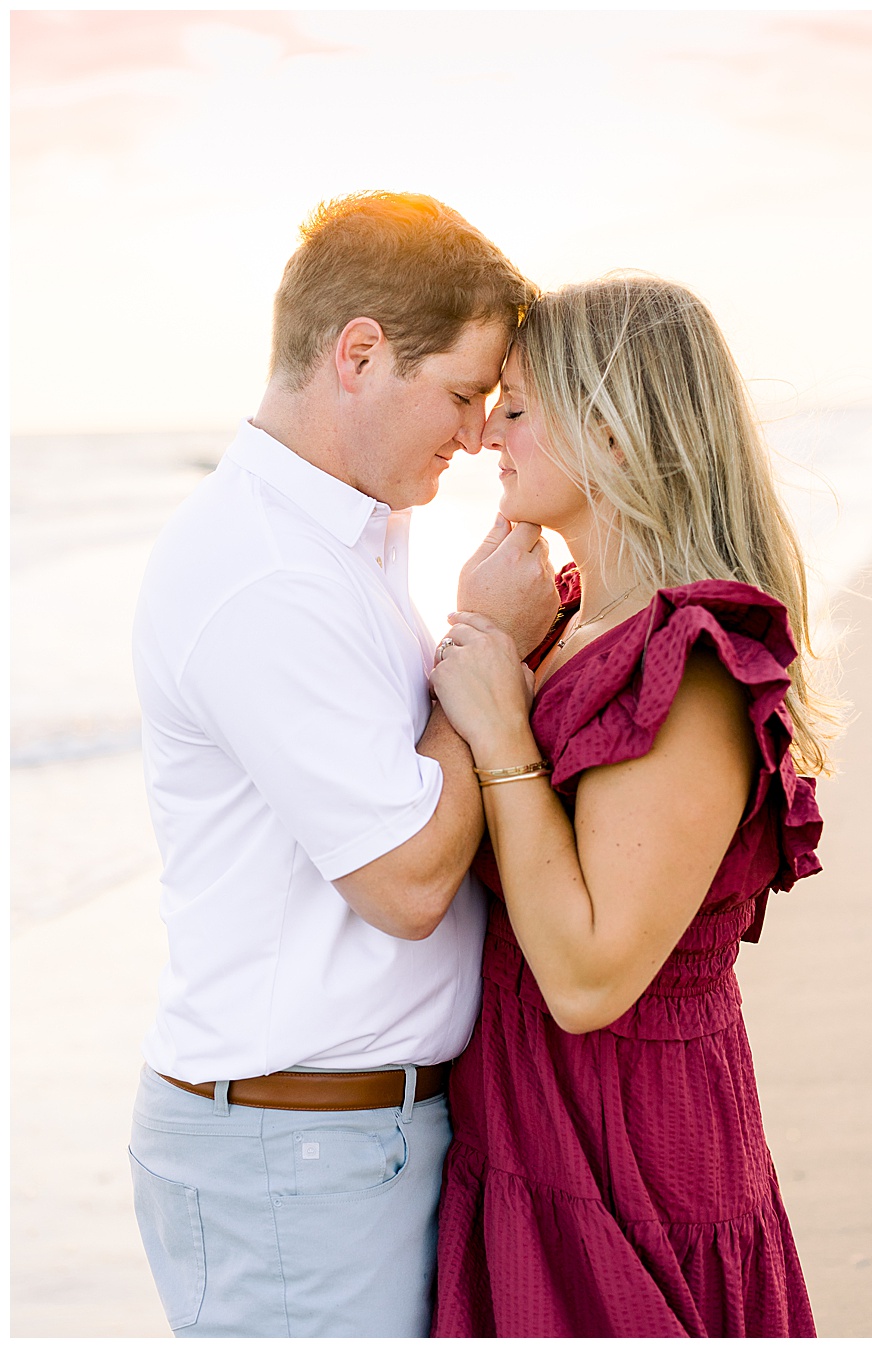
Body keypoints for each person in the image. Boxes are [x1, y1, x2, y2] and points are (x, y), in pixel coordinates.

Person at [128, 192, 555, 1337]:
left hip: (337, 1141)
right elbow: (406, 881)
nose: (476, 434)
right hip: (294, 1158)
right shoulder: (267, 573)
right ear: (359, 352)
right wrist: (492, 652)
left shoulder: (344, 545)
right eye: (463, 393)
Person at [426, 273, 830, 1336]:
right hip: (527, 1129)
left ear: (611, 435)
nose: (487, 436)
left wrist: (504, 731)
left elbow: (589, 977)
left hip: (631, 1155)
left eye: (516, 406)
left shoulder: (689, 663)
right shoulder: (561, 620)